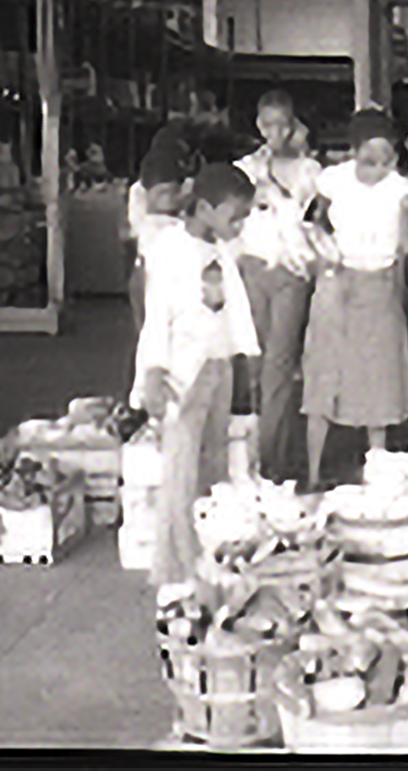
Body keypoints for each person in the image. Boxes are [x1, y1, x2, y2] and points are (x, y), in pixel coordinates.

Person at [131, 163, 260, 598]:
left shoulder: (219, 247)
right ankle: (174, 566)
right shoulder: (167, 248)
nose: (239, 225)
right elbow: (155, 317)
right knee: (181, 468)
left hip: (216, 366)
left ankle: (209, 551)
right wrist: (152, 373)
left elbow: (230, 309)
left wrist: (242, 360)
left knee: (214, 463)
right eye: (234, 216)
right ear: (204, 208)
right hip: (180, 373)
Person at [299, 109, 408, 495]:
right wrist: (323, 251)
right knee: (325, 374)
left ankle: (377, 467)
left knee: (378, 378)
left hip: (380, 284)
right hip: (336, 283)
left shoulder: (401, 190)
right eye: (370, 161)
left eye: (388, 160)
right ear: (352, 153)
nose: (379, 169)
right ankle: (313, 471)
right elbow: (312, 220)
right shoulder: (331, 179)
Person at [230, 89, 323, 485]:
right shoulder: (243, 167)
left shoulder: (309, 171)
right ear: (258, 125)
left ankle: (273, 463)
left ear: (294, 125)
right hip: (251, 269)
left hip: (292, 272)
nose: (275, 132)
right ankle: (249, 459)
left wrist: (271, 182)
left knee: (279, 369)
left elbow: (299, 215)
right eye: (267, 125)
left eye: (282, 124)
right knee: (254, 364)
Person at [125, 146, 194, 335]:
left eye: (173, 191)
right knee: (151, 333)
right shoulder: (149, 222)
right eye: (163, 192)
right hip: (149, 276)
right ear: (148, 194)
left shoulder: (181, 218)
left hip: (171, 278)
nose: (170, 197)